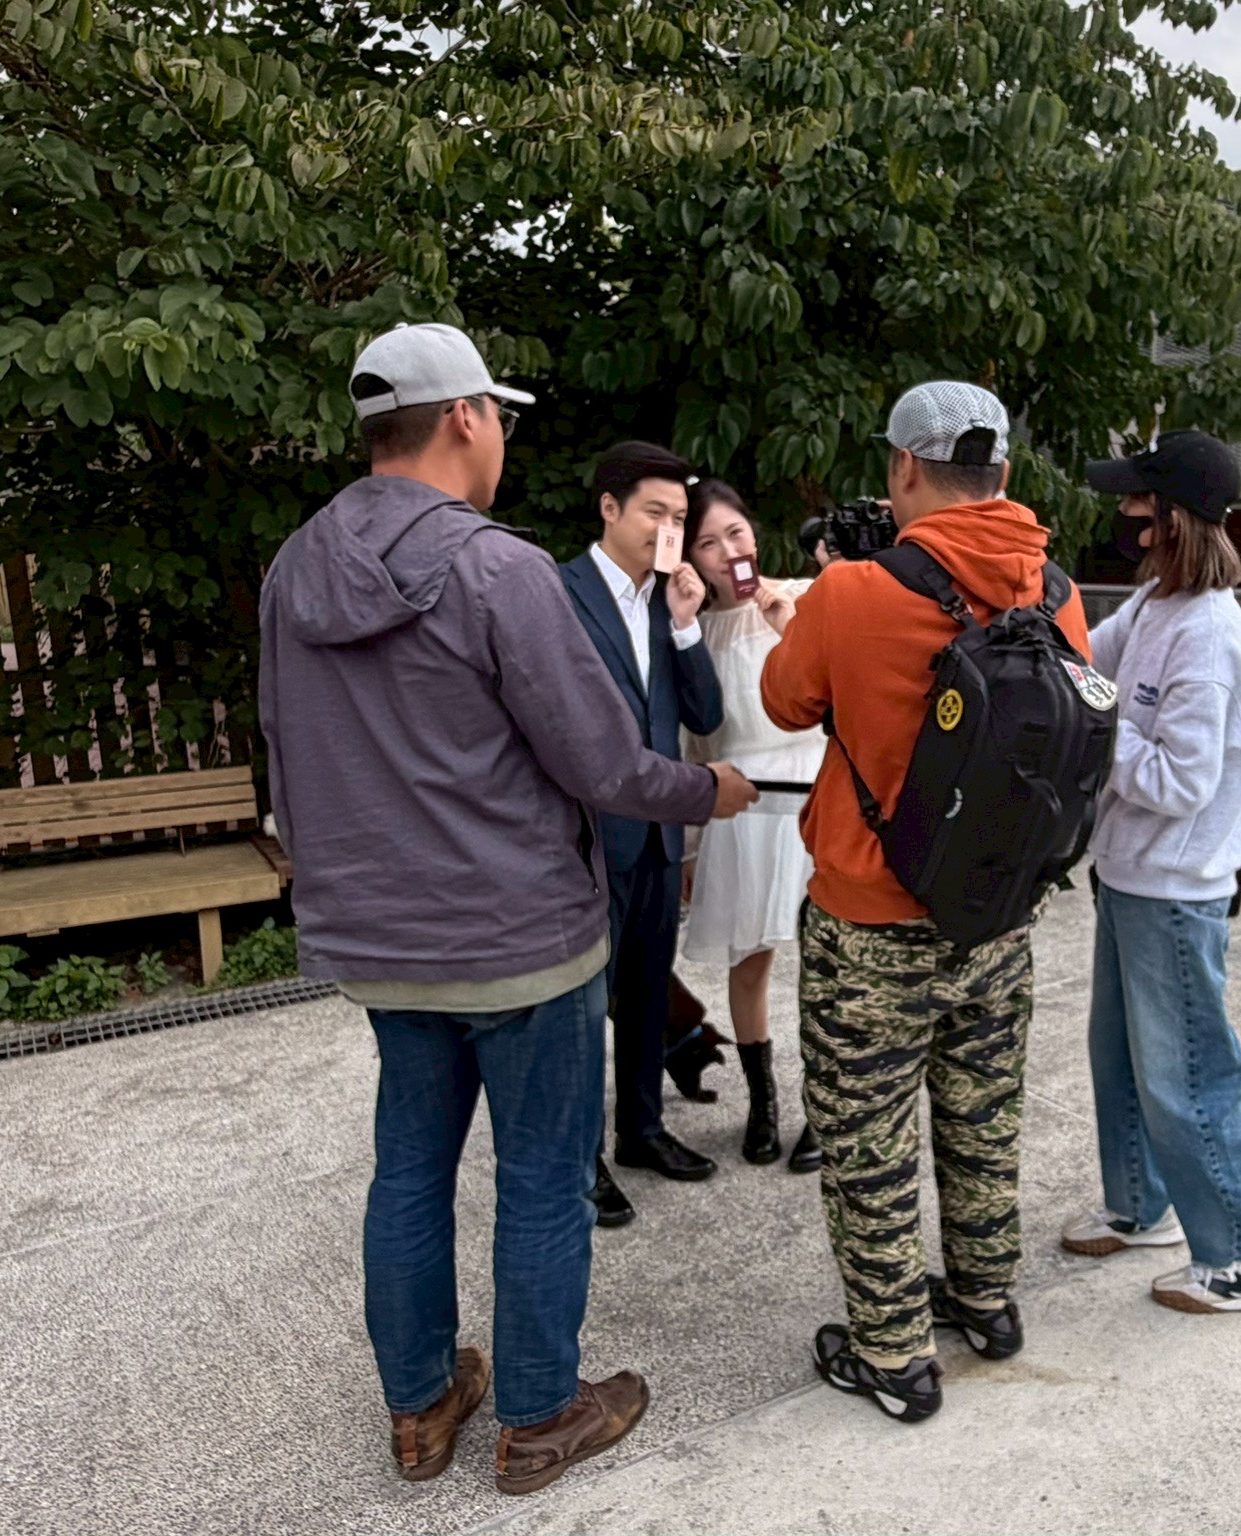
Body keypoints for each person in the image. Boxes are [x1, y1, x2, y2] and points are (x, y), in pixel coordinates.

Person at [259, 321, 758, 1492]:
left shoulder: (295, 569)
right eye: (502, 419)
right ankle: (538, 1415)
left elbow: (286, 758)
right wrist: (710, 790)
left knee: (409, 1169)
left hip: (381, 943)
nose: (503, 441)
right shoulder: (498, 568)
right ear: (467, 419)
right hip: (520, 939)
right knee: (539, 1174)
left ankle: (422, 1406)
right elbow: (602, 761)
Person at [761, 380, 1092, 1422]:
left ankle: (894, 1356)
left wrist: (818, 596)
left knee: (869, 1145)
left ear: (904, 468)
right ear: (1002, 476)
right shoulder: (1061, 592)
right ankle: (988, 1301)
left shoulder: (855, 593)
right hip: (997, 917)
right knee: (984, 1119)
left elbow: (783, 700)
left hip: (870, 927)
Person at [1059, 429, 1241, 1314]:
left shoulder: (1207, 634)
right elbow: (1089, 662)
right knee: (1118, 1060)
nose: (1123, 514)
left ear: (1175, 519)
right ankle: (1139, 1205)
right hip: (1125, 876)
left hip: (1175, 890)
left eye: (1138, 502)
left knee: (1188, 1076)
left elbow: (1181, 780)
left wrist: (1099, 724)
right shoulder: (1154, 603)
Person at [560, 441, 728, 1227]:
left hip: (660, 833)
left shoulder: (672, 603)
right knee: (584, 1003)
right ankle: (579, 1157)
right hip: (588, 839)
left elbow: (704, 717)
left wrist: (689, 628)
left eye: (679, 517)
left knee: (645, 991)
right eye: (655, 512)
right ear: (609, 508)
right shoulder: (558, 594)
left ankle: (643, 1130)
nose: (668, 528)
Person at [676, 480, 824, 1172]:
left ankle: (825, 1107)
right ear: (692, 557)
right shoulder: (694, 631)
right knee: (750, 960)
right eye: (708, 542)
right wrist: (693, 846)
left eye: (735, 532)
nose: (727, 550)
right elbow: (698, 745)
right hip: (743, 804)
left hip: (817, 797)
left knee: (829, 965)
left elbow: (841, 688)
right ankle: (763, 1103)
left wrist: (787, 621)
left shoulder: (806, 594)